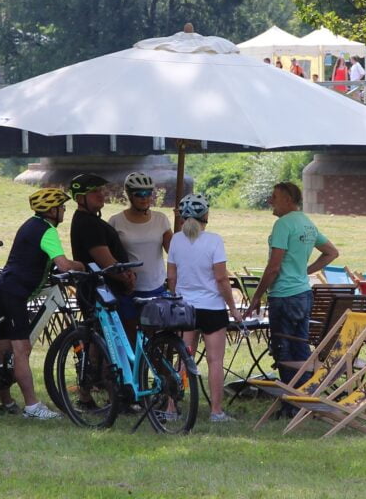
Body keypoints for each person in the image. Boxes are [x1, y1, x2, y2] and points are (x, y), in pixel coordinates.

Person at [0, 188, 85, 419]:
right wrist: (82, 266)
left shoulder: (29, 224)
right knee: (21, 348)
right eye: (61, 206)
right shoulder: (47, 230)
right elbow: (63, 265)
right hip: (15, 292)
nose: (64, 210)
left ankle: (6, 400)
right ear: (51, 210)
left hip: (3, 287)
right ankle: (32, 407)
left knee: (4, 346)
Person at [244, 182, 339, 388]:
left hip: (284, 296)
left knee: (283, 349)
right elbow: (331, 252)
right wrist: (304, 272)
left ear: (288, 200)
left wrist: (257, 296)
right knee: (300, 346)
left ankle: (291, 400)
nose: (270, 201)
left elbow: (273, 267)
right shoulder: (307, 223)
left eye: (274, 197)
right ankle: (305, 394)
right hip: (303, 294)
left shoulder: (283, 224)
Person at [167, 193, 242, 423]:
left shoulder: (176, 240)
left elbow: (171, 276)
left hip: (185, 307)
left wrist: (175, 297)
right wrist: (233, 308)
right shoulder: (214, 241)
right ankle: (216, 411)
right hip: (212, 308)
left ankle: (171, 407)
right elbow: (221, 279)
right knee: (215, 360)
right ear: (206, 215)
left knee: (181, 359)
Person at [108, 171, 172, 313]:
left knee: (156, 333)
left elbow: (173, 251)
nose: (145, 198)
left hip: (156, 286)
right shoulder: (115, 221)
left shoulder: (161, 219)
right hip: (128, 287)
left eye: (148, 193)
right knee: (129, 331)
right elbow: (109, 255)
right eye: (139, 194)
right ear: (129, 195)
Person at [69, 173, 134, 299]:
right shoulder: (88, 223)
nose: (100, 194)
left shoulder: (89, 220)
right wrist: (126, 279)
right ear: (80, 198)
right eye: (94, 191)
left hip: (105, 292)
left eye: (101, 190)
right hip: (104, 294)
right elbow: (107, 263)